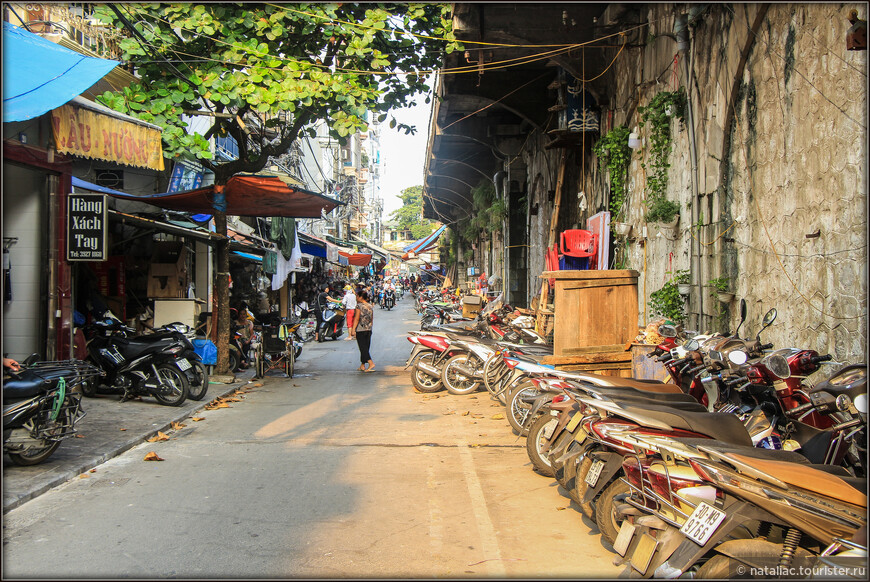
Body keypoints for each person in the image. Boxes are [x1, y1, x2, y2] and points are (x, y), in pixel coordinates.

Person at [351, 290, 375, 372]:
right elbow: (372, 318)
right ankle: (362, 365)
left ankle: (371, 363)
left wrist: (353, 329)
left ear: (361, 297)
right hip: (368, 328)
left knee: (362, 347)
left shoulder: (359, 306)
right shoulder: (370, 306)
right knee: (365, 347)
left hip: (361, 329)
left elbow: (357, 318)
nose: (356, 298)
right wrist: (370, 325)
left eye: (357, 296)